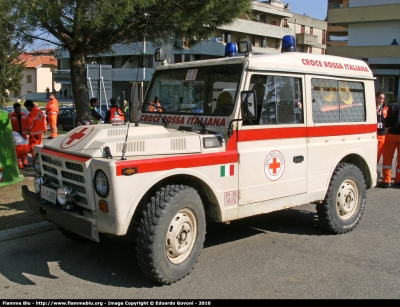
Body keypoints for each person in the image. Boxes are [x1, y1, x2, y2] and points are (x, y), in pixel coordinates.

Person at [379, 101, 400, 188]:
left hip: (391, 134)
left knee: (387, 158)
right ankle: (398, 181)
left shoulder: (393, 106)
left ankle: (386, 180)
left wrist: (385, 134)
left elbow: (387, 121)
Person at [10, 102, 29, 167]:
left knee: (24, 149)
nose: (19, 110)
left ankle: (25, 163)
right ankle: (19, 164)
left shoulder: (24, 115)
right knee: (17, 150)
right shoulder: (11, 116)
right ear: (14, 109)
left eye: (20, 108)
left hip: (23, 135)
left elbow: (27, 123)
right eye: (17, 108)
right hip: (16, 135)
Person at [376, 91, 388, 163]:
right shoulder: (373, 107)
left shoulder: (385, 108)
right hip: (374, 132)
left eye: (382, 99)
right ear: (376, 98)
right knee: (374, 153)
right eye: (379, 98)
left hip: (382, 133)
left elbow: (387, 120)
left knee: (379, 152)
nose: (381, 100)